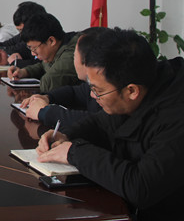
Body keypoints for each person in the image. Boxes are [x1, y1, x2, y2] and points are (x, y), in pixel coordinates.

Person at [36, 28, 184, 220]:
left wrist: (74, 153)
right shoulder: (143, 80)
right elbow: (102, 122)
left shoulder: (176, 116)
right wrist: (66, 135)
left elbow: (141, 187)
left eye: (98, 91)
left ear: (131, 91)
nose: (92, 96)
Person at [19, 28, 103, 128]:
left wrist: (45, 112)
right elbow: (74, 92)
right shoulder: (92, 84)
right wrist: (47, 97)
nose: (73, 61)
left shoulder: (109, 89)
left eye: (74, 56)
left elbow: (99, 122)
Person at [7, 13, 79, 92]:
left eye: (34, 48)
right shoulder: (59, 47)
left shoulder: (74, 53)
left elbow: (48, 83)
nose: (33, 53)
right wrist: (24, 72)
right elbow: (43, 66)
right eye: (30, 48)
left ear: (51, 41)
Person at [0, 1, 47, 66]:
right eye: (19, 30)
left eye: (22, 30)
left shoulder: (45, 40)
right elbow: (6, 45)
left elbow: (41, 65)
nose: (21, 35)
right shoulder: (24, 38)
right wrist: (6, 59)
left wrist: (16, 62)